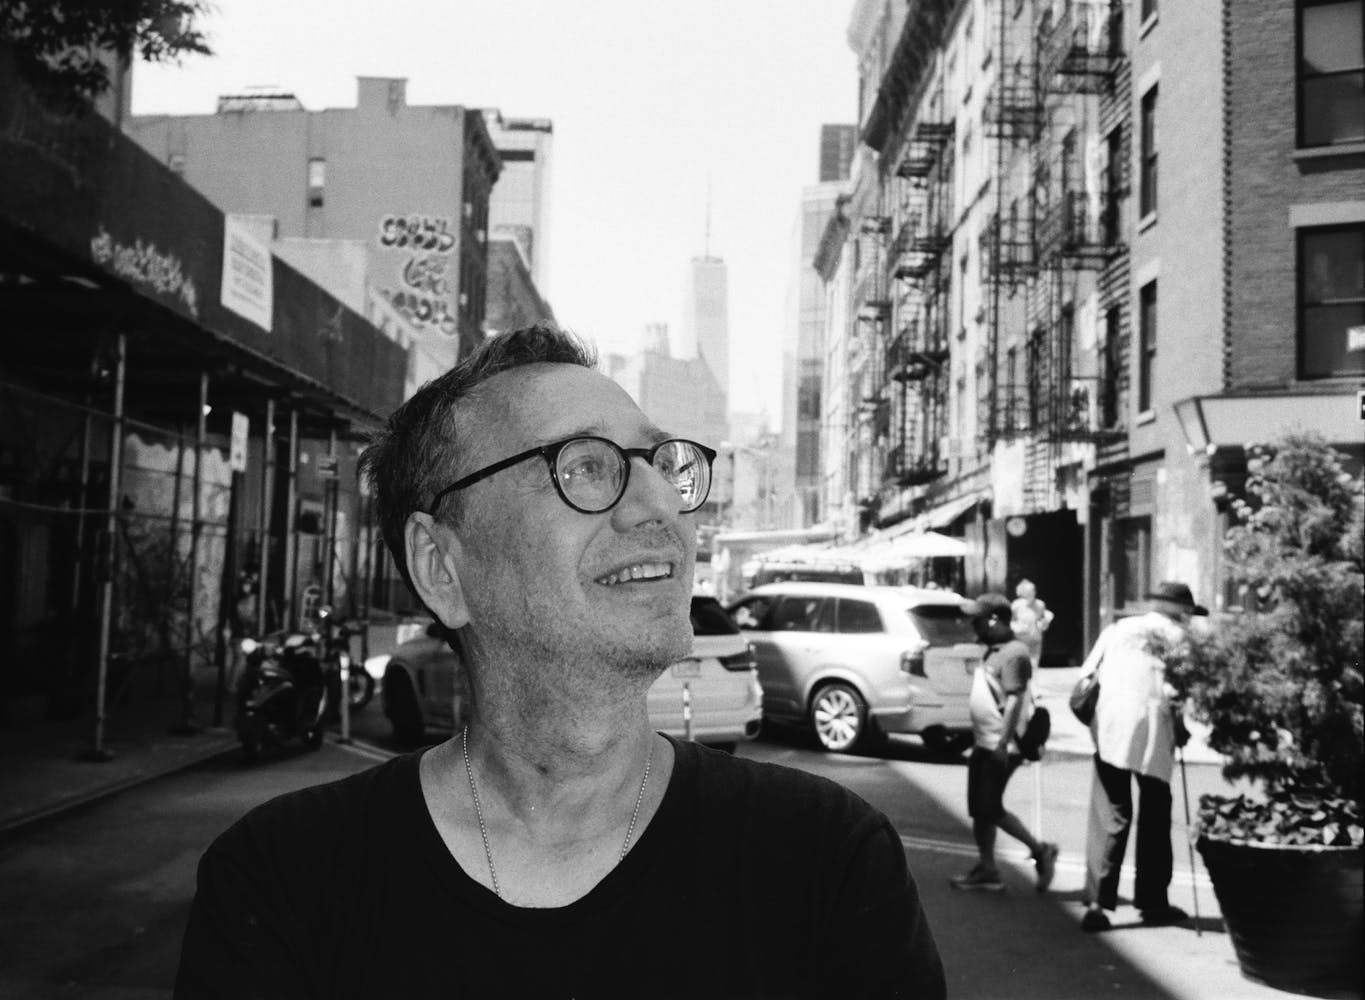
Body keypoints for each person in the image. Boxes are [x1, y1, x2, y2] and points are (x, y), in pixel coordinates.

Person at [174, 324, 946, 999]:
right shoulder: (283, 879)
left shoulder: (826, 861)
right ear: (443, 567)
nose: (662, 509)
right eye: (585, 466)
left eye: (660, 464)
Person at [1078, 580, 1205, 933]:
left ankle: (1097, 904)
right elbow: (1178, 694)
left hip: (1110, 724)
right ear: (1182, 610)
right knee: (1154, 814)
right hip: (1153, 727)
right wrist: (1181, 729)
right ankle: (1152, 900)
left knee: (1112, 814)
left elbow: (1088, 675)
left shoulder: (1120, 628)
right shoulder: (1180, 639)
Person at [950, 592, 1059, 893]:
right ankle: (988, 868)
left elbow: (1014, 702)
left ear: (994, 620)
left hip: (1000, 746)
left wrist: (1002, 745)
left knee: (989, 806)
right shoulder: (994, 650)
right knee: (980, 809)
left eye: (978, 619)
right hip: (985, 743)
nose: (973, 624)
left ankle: (1040, 851)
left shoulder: (1014, 653)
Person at [1010, 578, 1054, 670]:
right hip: (1021, 640)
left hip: (1035, 640)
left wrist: (1044, 623)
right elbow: (1010, 622)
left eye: (1033, 590)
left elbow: (1043, 622)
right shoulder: (1016, 605)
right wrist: (1017, 628)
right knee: (1021, 667)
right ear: (1023, 593)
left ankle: (1033, 684)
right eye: (1029, 591)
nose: (1032, 593)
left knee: (1033, 667)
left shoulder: (1040, 605)